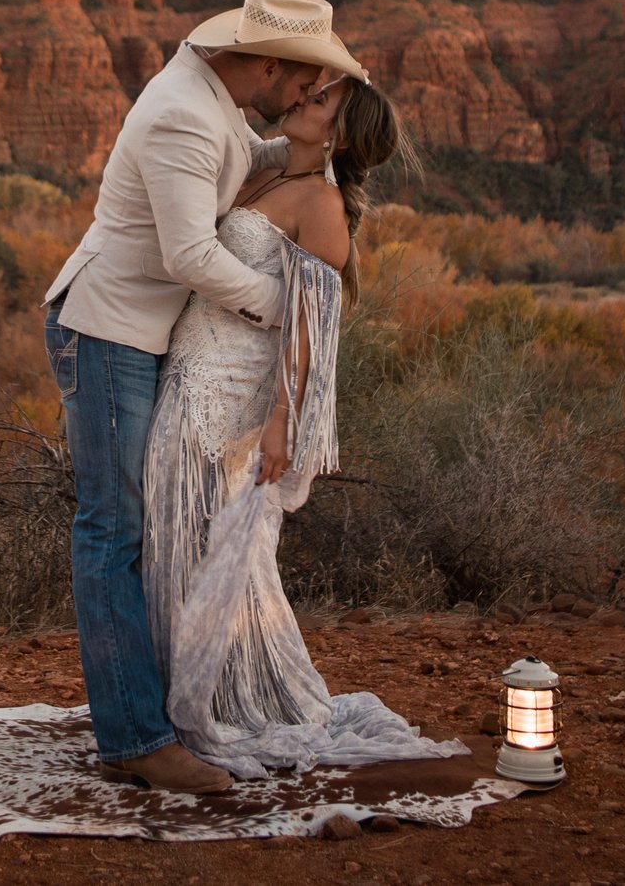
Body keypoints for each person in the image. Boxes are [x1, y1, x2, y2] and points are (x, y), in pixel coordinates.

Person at [38, 0, 361, 795]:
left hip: (146, 338)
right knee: (113, 532)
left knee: (149, 530)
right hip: (110, 331)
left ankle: (163, 708)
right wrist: (286, 306)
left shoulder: (214, 97)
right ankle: (134, 738)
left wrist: (325, 169)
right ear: (267, 63)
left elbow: (255, 164)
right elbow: (188, 255)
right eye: (300, 84)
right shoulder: (185, 111)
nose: (296, 99)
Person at [141, 72, 464, 778]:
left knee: (208, 541)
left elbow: (313, 325)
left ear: (340, 134)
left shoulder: (321, 204)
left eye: (318, 101)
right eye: (308, 91)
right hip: (189, 365)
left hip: (230, 395)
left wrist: (283, 422)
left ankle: (224, 704)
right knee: (176, 534)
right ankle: (186, 698)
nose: (300, 99)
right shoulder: (262, 168)